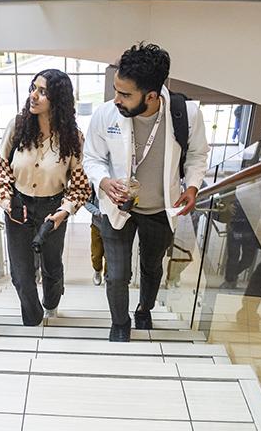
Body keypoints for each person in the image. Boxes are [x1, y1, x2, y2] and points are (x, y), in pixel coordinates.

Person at [83, 43, 210, 342]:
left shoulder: (186, 115)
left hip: (160, 210)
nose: (116, 99)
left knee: (152, 268)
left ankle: (145, 309)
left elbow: (197, 156)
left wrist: (192, 186)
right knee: (116, 275)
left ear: (152, 96)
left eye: (125, 94)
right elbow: (92, 157)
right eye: (116, 90)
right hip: (118, 208)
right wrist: (103, 182)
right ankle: (119, 323)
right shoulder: (105, 115)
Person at [0, 69, 91, 326]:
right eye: (33, 88)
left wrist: (63, 212)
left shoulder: (73, 138)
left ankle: (51, 303)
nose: (33, 96)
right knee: (21, 274)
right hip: (18, 206)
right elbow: (0, 168)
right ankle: (33, 319)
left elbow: (81, 187)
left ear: (58, 100)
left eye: (42, 92)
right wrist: (7, 202)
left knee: (51, 266)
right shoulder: (17, 126)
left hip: (52, 208)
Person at [84, 188, 106, 286]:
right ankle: (97, 271)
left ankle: (108, 276)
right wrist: (98, 212)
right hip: (97, 225)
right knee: (96, 253)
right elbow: (86, 202)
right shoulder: (94, 182)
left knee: (110, 255)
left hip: (114, 226)